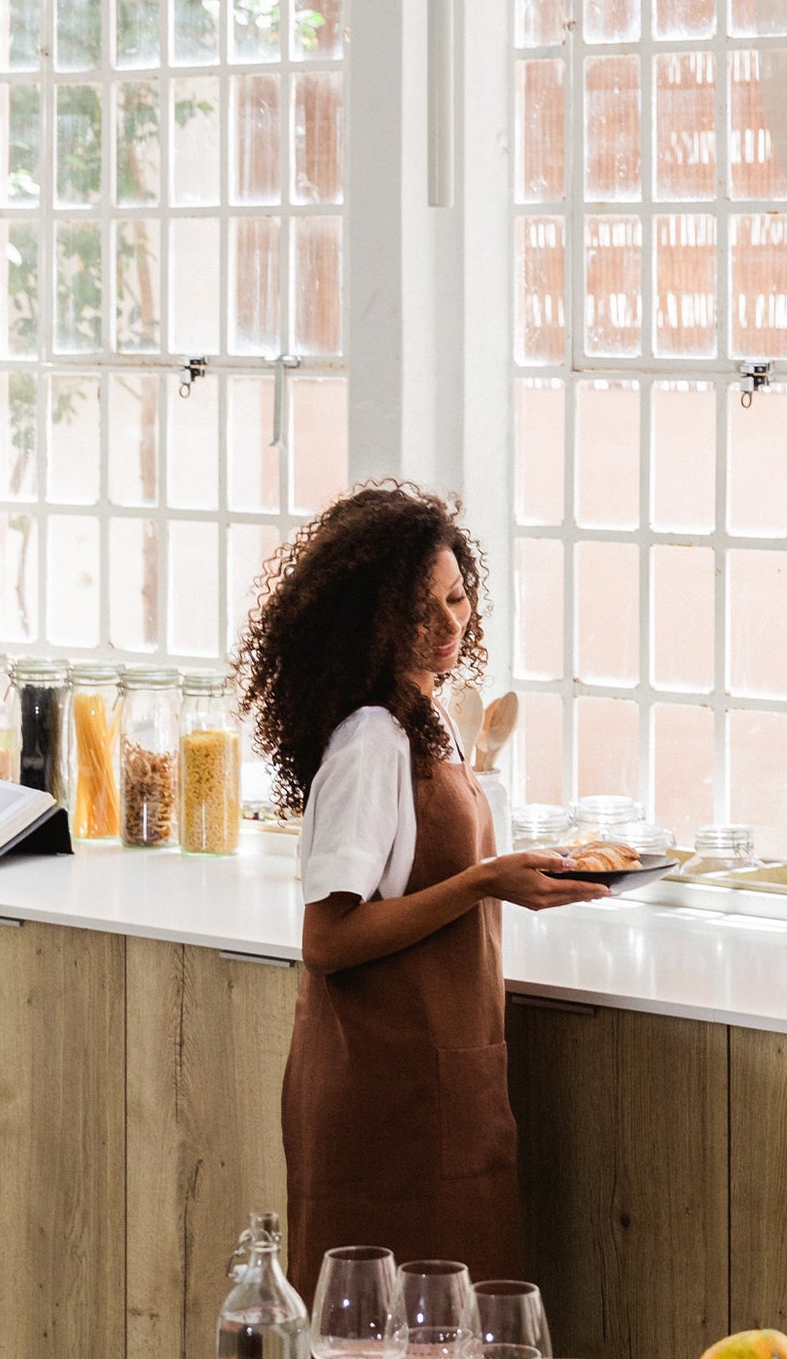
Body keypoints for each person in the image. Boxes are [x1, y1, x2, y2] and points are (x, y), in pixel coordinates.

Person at [236, 481, 604, 1297]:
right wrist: (482, 884)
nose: (448, 624)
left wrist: (501, 883)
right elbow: (327, 940)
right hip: (383, 1098)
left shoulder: (426, 719)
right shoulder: (372, 737)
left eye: (457, 596)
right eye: (420, 609)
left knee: (449, 1342)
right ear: (369, 617)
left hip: (443, 1081)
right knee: (382, 1356)